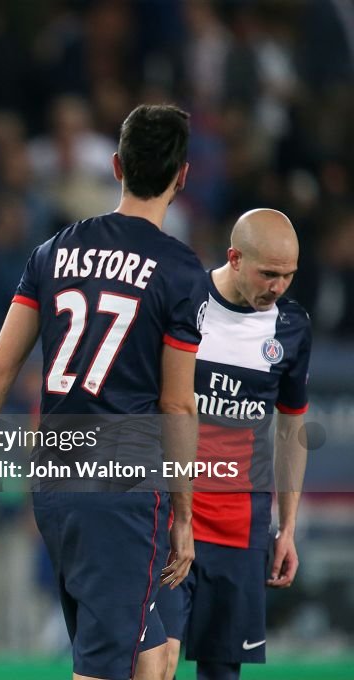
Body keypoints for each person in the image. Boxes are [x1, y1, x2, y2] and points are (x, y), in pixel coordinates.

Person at [0, 104, 206, 680]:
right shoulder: (180, 271)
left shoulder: (52, 252)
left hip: (58, 482)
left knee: (154, 657)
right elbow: (178, 404)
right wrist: (185, 513)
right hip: (125, 490)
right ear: (183, 176)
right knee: (106, 667)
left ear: (116, 166)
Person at [159, 209, 311, 680]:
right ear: (235, 258)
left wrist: (286, 527)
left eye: (288, 276)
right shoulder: (184, 302)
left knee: (222, 674)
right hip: (166, 521)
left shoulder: (291, 328)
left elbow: (291, 430)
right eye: (269, 274)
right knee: (153, 666)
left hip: (239, 532)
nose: (278, 287)